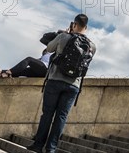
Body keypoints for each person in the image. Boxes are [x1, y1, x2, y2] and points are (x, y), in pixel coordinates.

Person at [28, 14, 96, 153]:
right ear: (86, 27)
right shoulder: (92, 46)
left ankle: (38, 145)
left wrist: (64, 33)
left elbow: (49, 47)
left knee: (47, 114)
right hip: (73, 86)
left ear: (74, 24)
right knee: (61, 117)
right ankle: (51, 148)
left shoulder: (63, 37)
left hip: (55, 81)